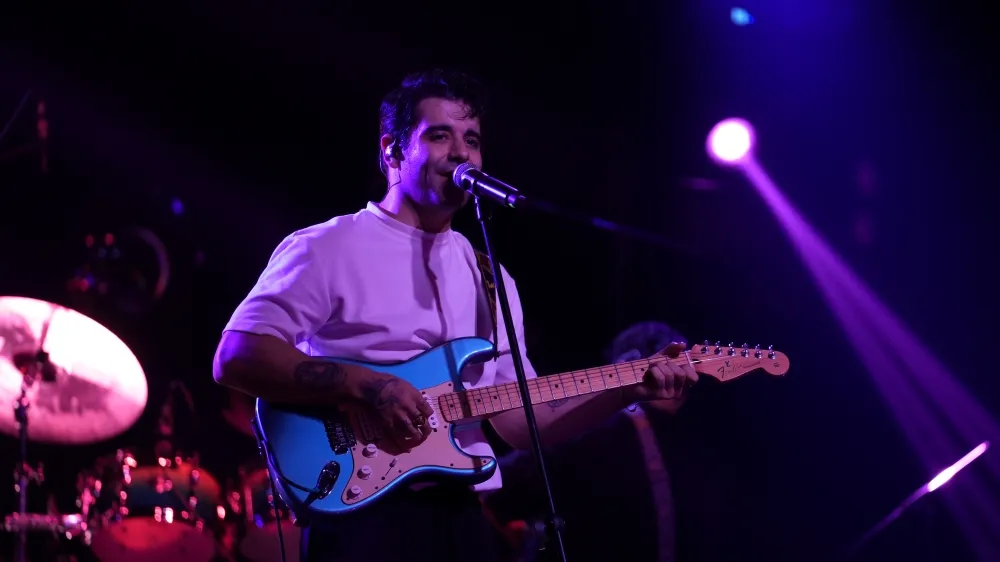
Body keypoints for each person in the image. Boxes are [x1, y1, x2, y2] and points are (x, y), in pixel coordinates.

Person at [211, 68, 699, 562]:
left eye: (472, 140)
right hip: (359, 513)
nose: (462, 153)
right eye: (440, 136)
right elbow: (237, 355)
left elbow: (524, 422)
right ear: (392, 151)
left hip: (460, 514)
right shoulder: (329, 246)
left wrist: (628, 389)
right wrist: (371, 386)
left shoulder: (490, 277)